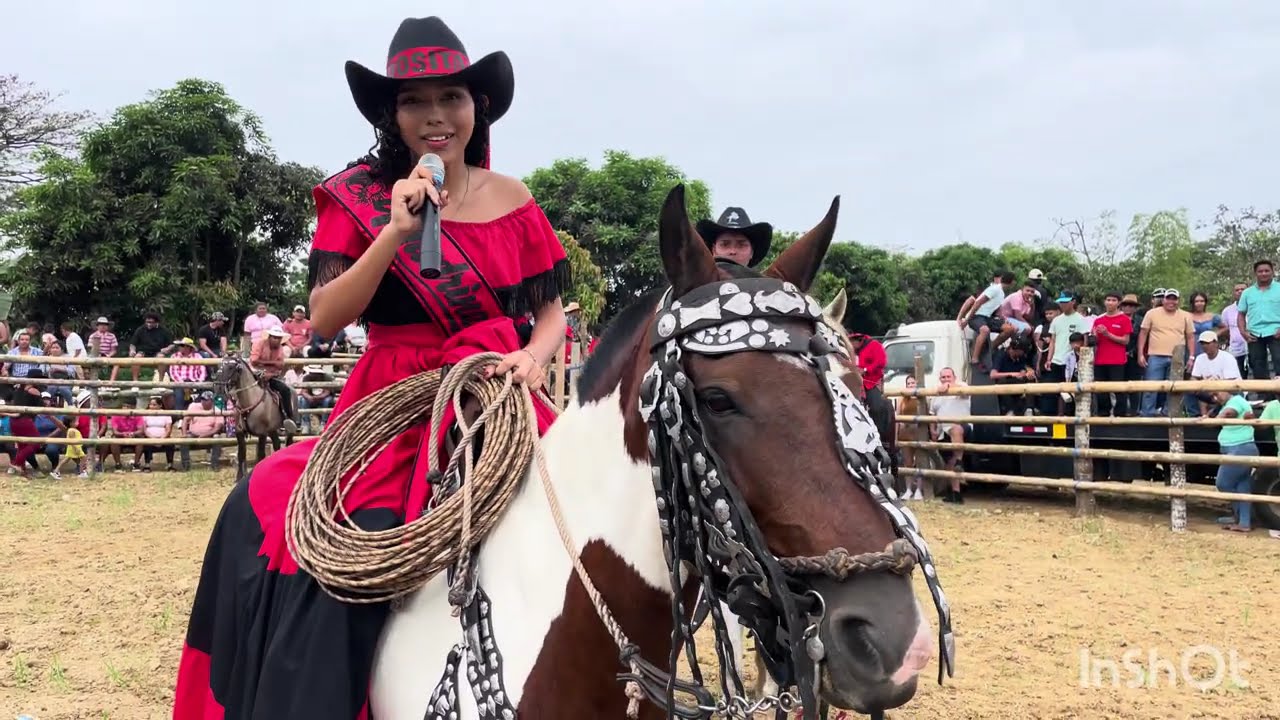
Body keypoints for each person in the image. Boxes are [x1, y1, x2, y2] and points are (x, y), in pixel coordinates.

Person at [172, 16, 570, 720]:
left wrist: (535, 357)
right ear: (393, 114)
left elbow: (551, 313)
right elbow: (325, 317)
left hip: (495, 390)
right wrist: (393, 232)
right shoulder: (355, 195)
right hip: (393, 400)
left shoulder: (517, 200)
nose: (436, 116)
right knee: (352, 539)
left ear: (478, 106)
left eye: (452, 96)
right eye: (415, 101)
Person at [1211, 390, 1257, 533]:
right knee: (1242, 485)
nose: (1215, 397)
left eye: (1217, 393)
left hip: (1239, 448)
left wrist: (1211, 419)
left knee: (1223, 483)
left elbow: (1227, 414)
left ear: (1226, 390)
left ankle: (1242, 515)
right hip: (1242, 447)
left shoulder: (1235, 401)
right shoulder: (1234, 402)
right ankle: (1243, 521)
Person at [249, 327, 299, 433]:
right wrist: (272, 363)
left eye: (278, 338)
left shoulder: (280, 349)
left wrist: (265, 365)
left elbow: (280, 365)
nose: (276, 340)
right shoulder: (259, 344)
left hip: (272, 375)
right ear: (269, 337)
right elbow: (254, 361)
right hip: (255, 373)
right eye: (274, 337)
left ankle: (288, 418)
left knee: (285, 390)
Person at [696, 207, 773, 268]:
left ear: (752, 252)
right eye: (725, 245)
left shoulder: (765, 287)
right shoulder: (696, 285)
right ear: (714, 251)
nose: (732, 251)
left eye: (741, 245)